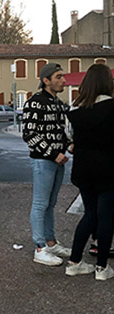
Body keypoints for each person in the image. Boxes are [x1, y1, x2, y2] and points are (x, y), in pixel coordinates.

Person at [66, 64, 114, 280]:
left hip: (83, 168)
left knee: (90, 214)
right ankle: (102, 267)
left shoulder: (74, 111)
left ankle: (74, 261)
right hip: (109, 168)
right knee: (107, 217)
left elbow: (70, 138)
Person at [22, 63, 72, 266]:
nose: (63, 80)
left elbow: (60, 131)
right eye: (59, 77)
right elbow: (29, 135)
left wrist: (68, 144)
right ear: (46, 80)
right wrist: (53, 153)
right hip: (44, 161)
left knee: (50, 204)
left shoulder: (57, 103)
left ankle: (51, 243)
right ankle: (40, 247)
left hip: (57, 160)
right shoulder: (35, 103)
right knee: (41, 203)